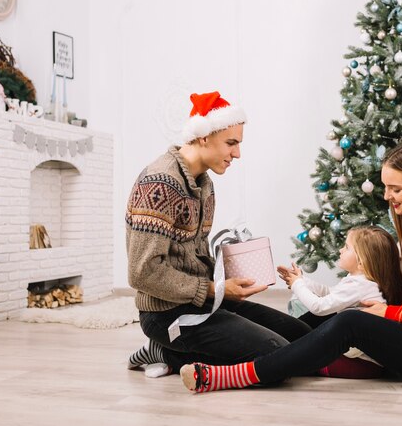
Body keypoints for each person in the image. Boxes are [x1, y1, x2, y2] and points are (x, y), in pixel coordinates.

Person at [179, 142, 402, 392]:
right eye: (386, 187)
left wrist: (386, 313)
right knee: (328, 314)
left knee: (349, 322)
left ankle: (239, 376)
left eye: (396, 189)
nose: (387, 196)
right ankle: (209, 355)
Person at [126, 91, 311, 378]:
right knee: (280, 355)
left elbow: (194, 253)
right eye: (231, 143)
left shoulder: (204, 183)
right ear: (203, 137)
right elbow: (142, 273)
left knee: (301, 337)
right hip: (166, 315)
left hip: (201, 301)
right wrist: (215, 290)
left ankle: (176, 351)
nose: (237, 153)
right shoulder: (160, 184)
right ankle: (166, 352)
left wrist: (230, 279)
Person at [279, 225, 402, 378]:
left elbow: (319, 307)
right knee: (303, 349)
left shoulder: (359, 285)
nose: (340, 250)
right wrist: (302, 280)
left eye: (346, 247)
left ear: (361, 262)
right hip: (362, 360)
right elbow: (331, 294)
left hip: (361, 364)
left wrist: (297, 285)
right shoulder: (362, 280)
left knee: (303, 359)